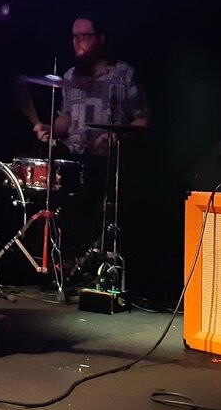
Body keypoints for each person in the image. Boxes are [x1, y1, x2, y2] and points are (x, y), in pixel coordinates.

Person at [30, 14, 148, 270]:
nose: (78, 42)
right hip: (75, 161)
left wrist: (118, 136)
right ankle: (65, 261)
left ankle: (96, 263)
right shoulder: (70, 76)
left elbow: (143, 120)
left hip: (109, 163)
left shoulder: (123, 74)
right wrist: (50, 128)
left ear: (100, 38)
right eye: (74, 37)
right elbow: (67, 117)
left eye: (85, 36)